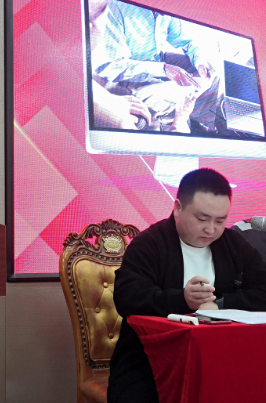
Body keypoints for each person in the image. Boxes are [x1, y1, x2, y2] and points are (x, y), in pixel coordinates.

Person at [108, 168, 266, 403]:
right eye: (202, 219)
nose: (211, 229)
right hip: (150, 364)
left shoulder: (233, 244)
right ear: (178, 207)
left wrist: (221, 304)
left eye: (220, 220)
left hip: (223, 361)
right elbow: (127, 296)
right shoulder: (149, 243)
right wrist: (182, 300)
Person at [89, 0, 224, 134]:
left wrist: (199, 61)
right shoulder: (117, 8)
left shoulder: (166, 7)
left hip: (159, 60)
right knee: (176, 98)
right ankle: (179, 128)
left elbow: (187, 41)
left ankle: (202, 123)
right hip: (130, 77)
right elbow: (112, 67)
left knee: (213, 73)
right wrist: (163, 69)